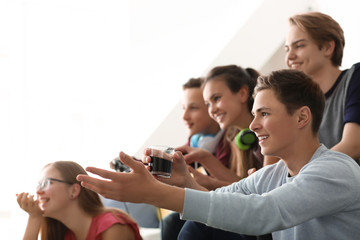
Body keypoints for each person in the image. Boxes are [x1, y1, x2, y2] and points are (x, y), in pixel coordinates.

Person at [77, 69, 360, 240]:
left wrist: (153, 194)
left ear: (301, 118)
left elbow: (263, 214)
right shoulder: (272, 175)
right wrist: (185, 182)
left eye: (264, 113)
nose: (253, 125)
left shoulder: (335, 170)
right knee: (196, 226)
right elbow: (221, 201)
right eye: (254, 114)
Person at [285, 11, 360, 163]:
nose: (289, 57)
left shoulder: (355, 77)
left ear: (327, 47)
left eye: (299, 46)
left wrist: (303, 175)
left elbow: (353, 145)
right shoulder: (296, 102)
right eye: (287, 49)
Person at [16, 160, 142, 240]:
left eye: (46, 183)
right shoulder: (65, 234)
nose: (38, 192)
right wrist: (35, 217)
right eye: (39, 185)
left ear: (74, 191)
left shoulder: (112, 227)